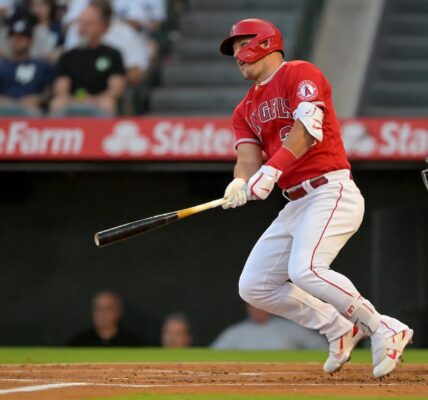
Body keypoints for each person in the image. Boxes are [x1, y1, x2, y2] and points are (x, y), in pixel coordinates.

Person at [219, 19, 412, 378]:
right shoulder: (244, 109)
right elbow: (246, 159)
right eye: (232, 50)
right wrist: (239, 183)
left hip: (330, 190)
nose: (236, 55)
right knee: (255, 286)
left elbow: (308, 129)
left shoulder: (299, 73)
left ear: (264, 43)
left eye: (240, 45)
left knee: (305, 269)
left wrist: (271, 171)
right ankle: (338, 328)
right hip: (296, 204)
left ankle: (383, 327)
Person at [50, 1, 126, 115]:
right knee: (57, 103)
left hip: (99, 101)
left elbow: (115, 90)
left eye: (89, 23)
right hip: (72, 101)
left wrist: (92, 100)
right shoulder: (67, 56)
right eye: (81, 23)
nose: (83, 28)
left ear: (103, 26)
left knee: (109, 103)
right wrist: (79, 100)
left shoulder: (113, 54)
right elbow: (61, 89)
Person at [63, 0, 152, 85]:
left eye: (90, 23)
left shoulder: (126, 34)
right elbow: (66, 67)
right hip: (76, 93)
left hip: (113, 93)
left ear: (104, 24)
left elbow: (136, 73)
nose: (83, 28)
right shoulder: (75, 31)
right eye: (81, 21)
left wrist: (108, 82)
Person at [0, 15, 54, 113]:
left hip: (33, 113)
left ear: (31, 40)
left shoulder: (42, 66)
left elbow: (50, 90)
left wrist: (39, 99)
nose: (16, 41)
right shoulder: (2, 66)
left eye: (21, 37)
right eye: (13, 37)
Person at [211, 304, 326, 350]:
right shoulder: (235, 332)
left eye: (261, 306)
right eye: (254, 307)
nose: (258, 311)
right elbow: (213, 355)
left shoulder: (288, 328)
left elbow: (321, 346)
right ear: (248, 308)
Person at [68, 291, 139, 346]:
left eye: (108, 309)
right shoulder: (79, 342)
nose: (102, 313)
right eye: (98, 308)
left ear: (118, 312)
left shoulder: (130, 342)